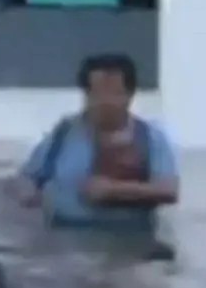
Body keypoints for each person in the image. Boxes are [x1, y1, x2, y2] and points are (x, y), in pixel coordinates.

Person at [10, 53, 179, 252]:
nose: (104, 102)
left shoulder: (150, 138)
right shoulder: (63, 134)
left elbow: (170, 190)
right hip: (65, 237)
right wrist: (27, 194)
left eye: (114, 93)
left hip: (130, 241)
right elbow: (28, 177)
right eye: (96, 94)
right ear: (85, 95)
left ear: (130, 95)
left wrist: (115, 190)